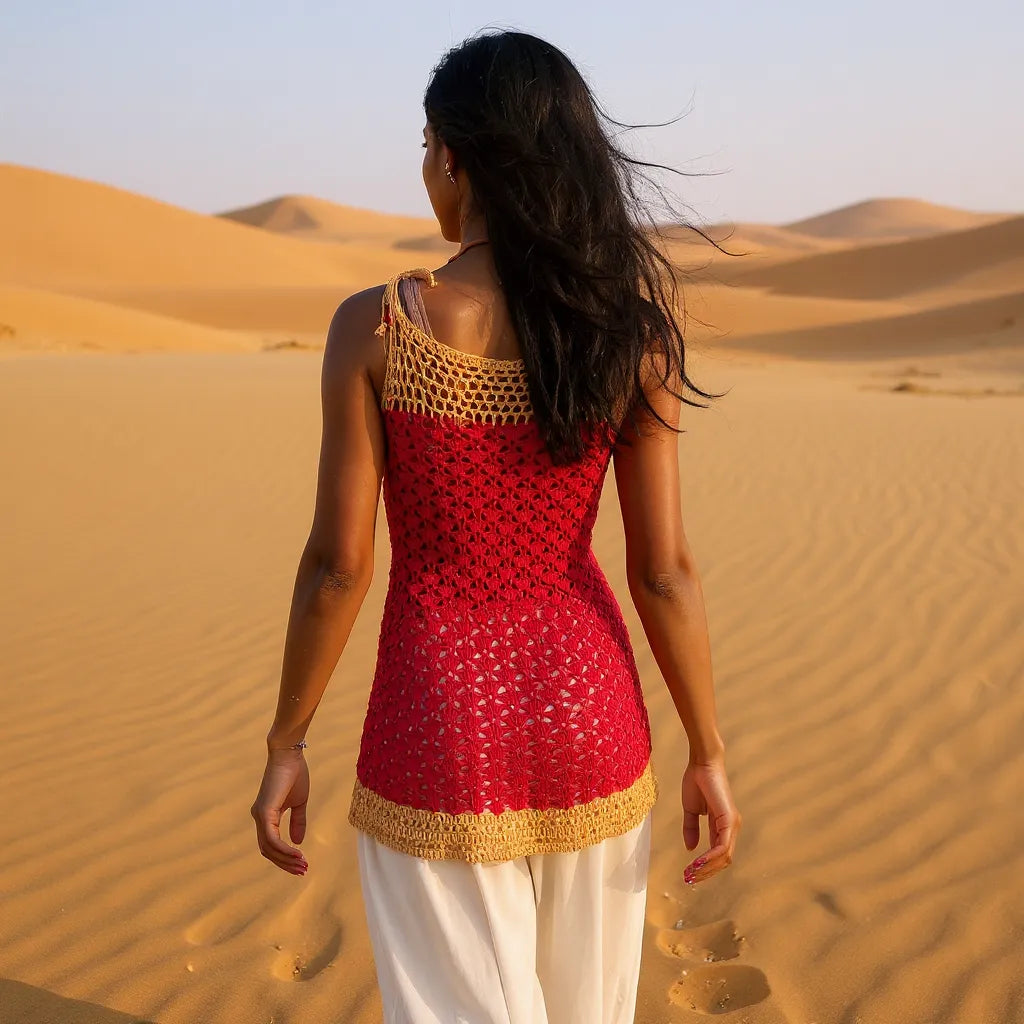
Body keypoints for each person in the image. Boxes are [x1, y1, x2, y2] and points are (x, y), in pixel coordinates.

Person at [250, 27, 741, 1024]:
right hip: (591, 720)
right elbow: (666, 574)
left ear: (456, 159)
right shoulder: (628, 334)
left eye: (425, 148)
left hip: (433, 728)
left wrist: (286, 739)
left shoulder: (377, 326)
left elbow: (337, 568)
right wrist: (708, 750)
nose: (424, 171)